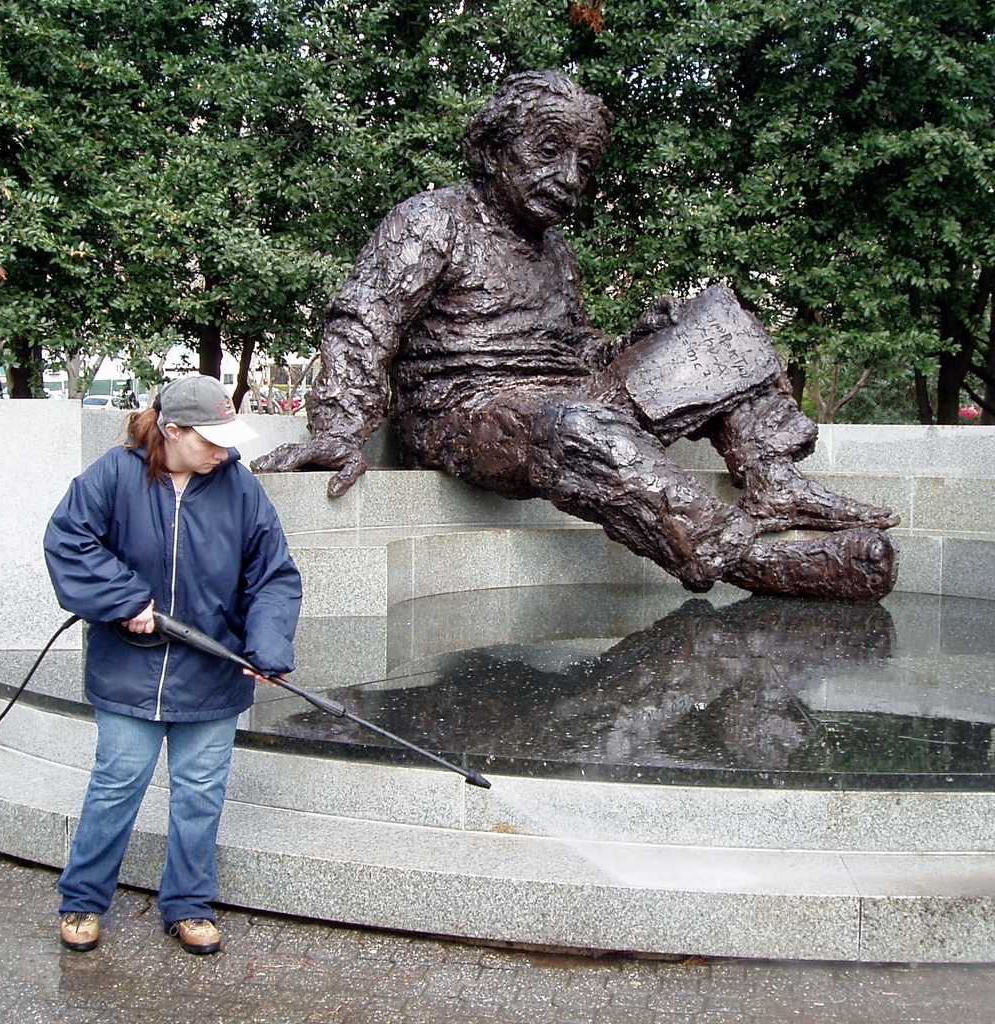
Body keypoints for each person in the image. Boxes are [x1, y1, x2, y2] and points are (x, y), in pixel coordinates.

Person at [252, 70, 897, 601]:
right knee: (573, 425)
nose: (568, 178)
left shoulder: (555, 249)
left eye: (583, 163)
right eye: (548, 153)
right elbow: (365, 320)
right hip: (467, 413)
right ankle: (745, 557)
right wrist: (339, 429)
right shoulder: (433, 219)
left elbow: (576, 348)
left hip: (566, 394)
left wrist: (639, 342)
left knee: (713, 324)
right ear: (493, 152)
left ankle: (772, 478)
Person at [44, 375, 302, 955]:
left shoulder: (241, 488)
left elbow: (273, 577)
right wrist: (125, 599)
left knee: (200, 793)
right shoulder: (113, 474)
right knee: (116, 786)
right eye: (209, 439)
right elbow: (69, 540)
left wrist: (268, 649)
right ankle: (82, 900)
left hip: (212, 672)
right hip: (128, 670)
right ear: (172, 429)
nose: (223, 450)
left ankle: (188, 904)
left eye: (226, 438)